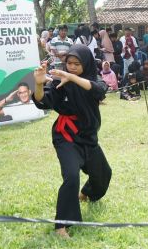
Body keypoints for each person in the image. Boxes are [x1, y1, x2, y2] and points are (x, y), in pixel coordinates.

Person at [32, 44, 112, 238]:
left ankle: (85, 193)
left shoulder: (93, 81)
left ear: (86, 64)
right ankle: (62, 226)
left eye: (77, 64)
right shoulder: (61, 83)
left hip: (89, 137)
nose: (72, 67)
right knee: (71, 176)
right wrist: (39, 84)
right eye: (69, 63)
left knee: (103, 174)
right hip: (66, 136)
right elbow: (43, 101)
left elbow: (98, 90)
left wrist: (72, 78)